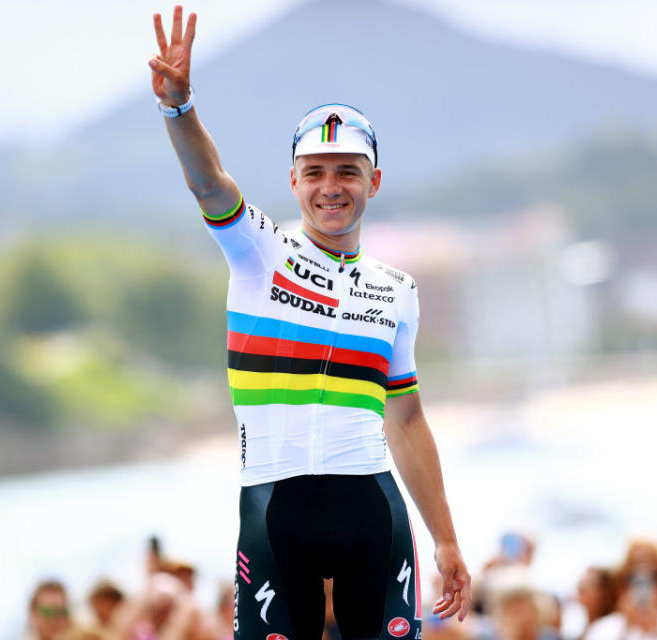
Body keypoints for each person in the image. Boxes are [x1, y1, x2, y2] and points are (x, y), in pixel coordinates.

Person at [147, 5, 471, 639]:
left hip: (371, 509)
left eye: (347, 172)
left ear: (373, 182)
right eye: (315, 173)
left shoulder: (396, 290)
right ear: (292, 182)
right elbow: (208, 182)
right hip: (275, 509)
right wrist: (178, 108)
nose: (331, 187)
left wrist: (447, 540)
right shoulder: (259, 250)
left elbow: (406, 418)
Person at [584, 541, 657, 640]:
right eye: (633, 578)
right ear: (623, 585)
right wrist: (625, 629)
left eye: (653, 577)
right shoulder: (602, 630)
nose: (643, 587)